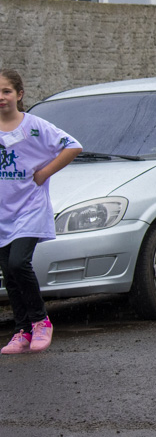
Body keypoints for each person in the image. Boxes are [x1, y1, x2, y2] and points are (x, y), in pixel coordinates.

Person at [0, 69, 81, 355]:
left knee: (18, 263)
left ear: (19, 95)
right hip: (2, 213)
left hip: (29, 208)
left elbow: (72, 146)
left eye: (7, 91)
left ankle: (40, 320)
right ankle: (21, 331)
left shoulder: (34, 126)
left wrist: (44, 172)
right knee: (8, 273)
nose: (1, 97)